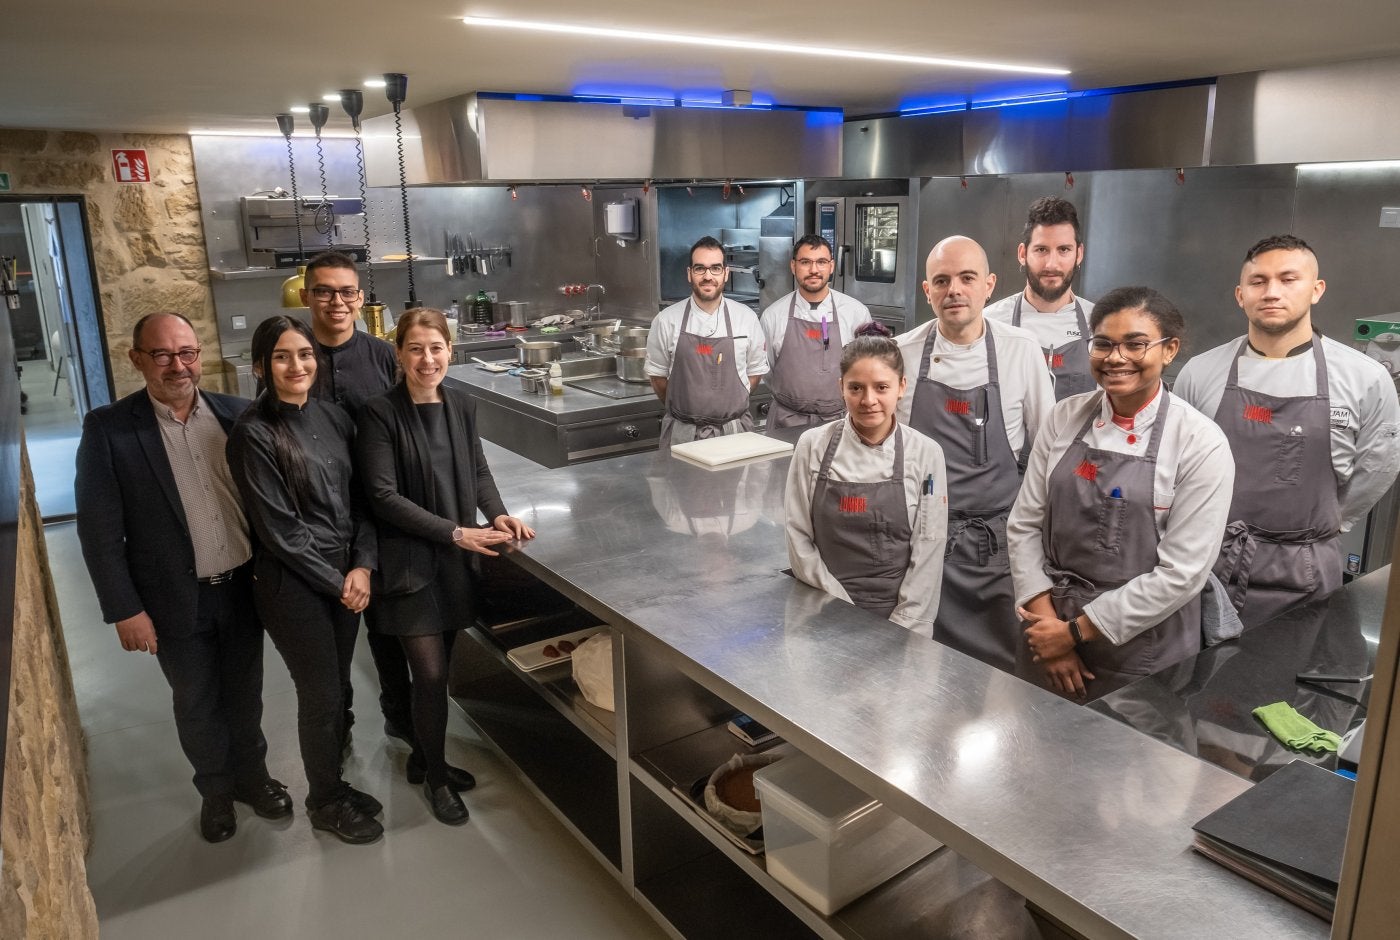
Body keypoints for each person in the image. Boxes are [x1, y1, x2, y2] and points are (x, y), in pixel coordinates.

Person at [75, 312, 289, 843]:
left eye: (187, 352)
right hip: (173, 598)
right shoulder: (110, 430)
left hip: (242, 588)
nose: (178, 365)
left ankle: (254, 778)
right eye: (162, 354)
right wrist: (124, 609)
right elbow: (99, 531)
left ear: (200, 355)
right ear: (137, 359)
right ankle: (216, 793)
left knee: (246, 693)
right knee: (195, 700)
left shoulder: (239, 415)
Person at [1008, 287, 1236, 700]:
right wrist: (1047, 629)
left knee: (1132, 760)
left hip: (1143, 646)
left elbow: (1182, 574)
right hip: (1048, 628)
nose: (1116, 358)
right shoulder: (1064, 417)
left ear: (1170, 350)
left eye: (1135, 344)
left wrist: (1075, 633)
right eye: (1103, 344)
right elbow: (1024, 525)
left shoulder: (1200, 442)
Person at [356, 308, 536, 825]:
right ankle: (437, 779)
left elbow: (477, 470)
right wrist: (457, 532)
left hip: (455, 566)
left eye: (436, 348)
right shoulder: (379, 414)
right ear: (399, 355)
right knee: (430, 677)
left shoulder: (461, 405)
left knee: (443, 673)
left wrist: (497, 512)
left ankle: (423, 758)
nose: (427, 359)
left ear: (450, 352)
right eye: (416, 349)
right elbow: (383, 496)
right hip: (409, 568)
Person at [1174, 235, 1400, 627]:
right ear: (1240, 295)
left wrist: (1323, 523)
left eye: (1288, 279)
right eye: (1258, 281)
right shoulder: (1201, 371)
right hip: (1205, 562)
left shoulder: (1364, 378)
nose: (1271, 292)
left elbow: (1378, 467)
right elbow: (1177, 466)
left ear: (1316, 290)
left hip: (1305, 570)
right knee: (1193, 679)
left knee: (1284, 681)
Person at [226, 316, 384, 844]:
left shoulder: (335, 417)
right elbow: (281, 532)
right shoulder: (253, 433)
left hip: (345, 577)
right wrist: (339, 581)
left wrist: (361, 564)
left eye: (305, 355)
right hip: (292, 587)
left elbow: (362, 500)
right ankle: (324, 800)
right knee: (320, 695)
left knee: (337, 688)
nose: (298, 366)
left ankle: (332, 782)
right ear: (260, 367)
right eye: (282, 357)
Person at [896, 236, 1054, 672]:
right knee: (923, 664)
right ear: (926, 292)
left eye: (967, 278)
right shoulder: (902, 355)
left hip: (999, 546)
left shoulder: (1020, 349)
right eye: (941, 281)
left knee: (1000, 673)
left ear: (989, 285)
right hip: (923, 541)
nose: (955, 291)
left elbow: (1045, 455)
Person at [299, 250, 416, 755]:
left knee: (389, 632)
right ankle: (337, 727)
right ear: (306, 298)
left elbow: (409, 427)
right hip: (321, 523)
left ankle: (401, 719)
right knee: (331, 641)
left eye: (347, 292)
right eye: (324, 291)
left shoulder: (382, 357)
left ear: (361, 298)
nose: (336, 302)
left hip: (384, 514)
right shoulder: (294, 354)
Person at [786, 323, 948, 634]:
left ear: (902, 387)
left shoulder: (927, 453)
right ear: (841, 387)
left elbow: (929, 546)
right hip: (822, 607)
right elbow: (798, 536)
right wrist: (840, 608)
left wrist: (904, 626)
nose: (868, 399)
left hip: (900, 616)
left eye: (881, 387)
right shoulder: (812, 445)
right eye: (856, 387)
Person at [645, 235, 769, 445]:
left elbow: (755, 370)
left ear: (725, 273)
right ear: (689, 274)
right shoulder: (666, 320)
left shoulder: (746, 318)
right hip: (682, 434)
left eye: (715, 268)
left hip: (734, 432)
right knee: (678, 479)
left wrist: (731, 402)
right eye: (700, 268)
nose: (708, 276)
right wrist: (687, 411)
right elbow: (658, 377)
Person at [984, 196, 1096, 401]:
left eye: (1064, 250)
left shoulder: (1099, 323)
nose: (1052, 264)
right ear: (1022, 253)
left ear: (1079, 254)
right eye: (1041, 250)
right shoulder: (989, 323)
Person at [759, 235, 871, 432]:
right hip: (785, 422)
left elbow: (866, 368)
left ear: (832, 266)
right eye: (805, 262)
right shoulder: (773, 316)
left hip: (841, 423)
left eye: (821, 262)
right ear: (793, 266)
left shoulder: (856, 312)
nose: (814, 270)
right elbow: (768, 372)